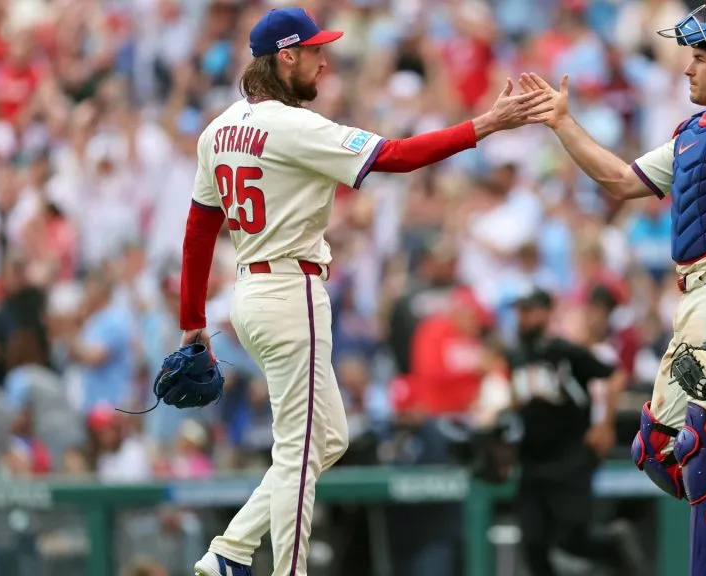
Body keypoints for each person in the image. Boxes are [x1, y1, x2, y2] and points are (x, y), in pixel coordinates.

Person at [181, 8, 552, 576]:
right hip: (290, 292)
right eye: (313, 51)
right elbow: (397, 157)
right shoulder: (295, 126)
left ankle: (230, 550)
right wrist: (487, 124)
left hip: (250, 295)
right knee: (300, 449)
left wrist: (191, 319)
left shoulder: (218, 129)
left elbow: (200, 226)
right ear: (285, 56)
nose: (323, 61)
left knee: (328, 438)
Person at [519, 1, 706, 574]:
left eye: (700, 57)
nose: (687, 68)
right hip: (696, 297)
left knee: (697, 444)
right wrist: (562, 122)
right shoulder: (690, 135)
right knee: (655, 449)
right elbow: (619, 180)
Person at [503, 287, 641, 576]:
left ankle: (615, 545)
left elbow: (614, 375)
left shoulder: (561, 351)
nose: (522, 318)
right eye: (519, 312)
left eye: (528, 311)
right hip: (532, 461)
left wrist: (604, 425)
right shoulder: (515, 355)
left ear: (544, 313)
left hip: (569, 458)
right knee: (533, 542)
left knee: (571, 538)